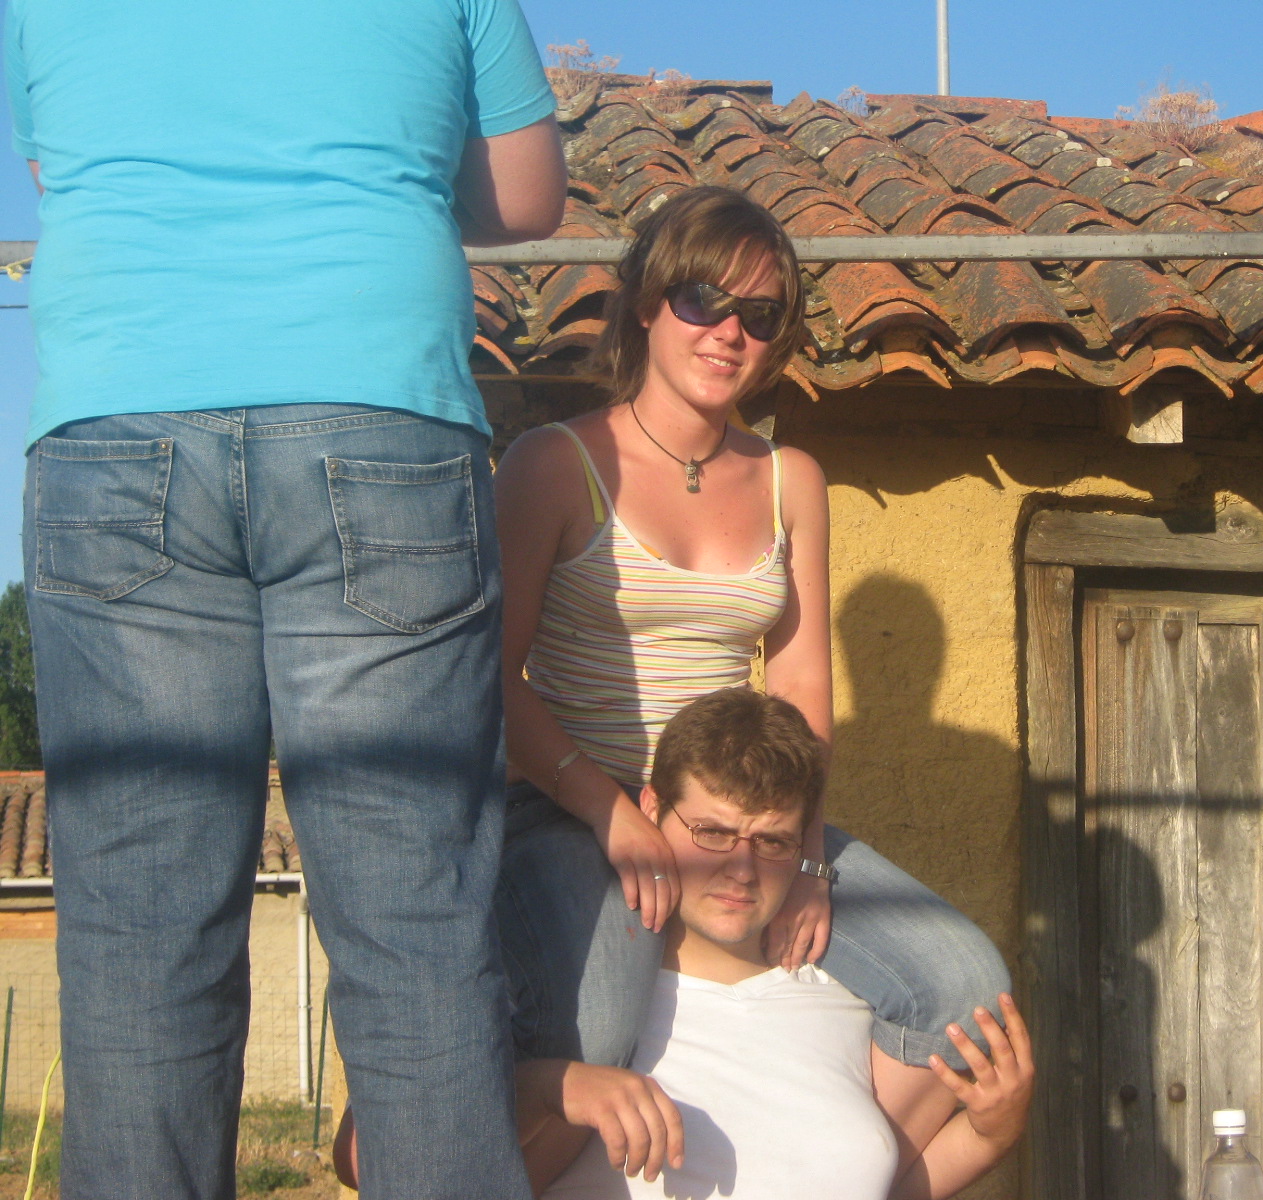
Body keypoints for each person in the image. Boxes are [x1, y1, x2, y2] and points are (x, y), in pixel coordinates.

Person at [5, 2, 566, 1197]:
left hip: (121, 415)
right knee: (415, 925)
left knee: (140, 939)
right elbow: (527, 198)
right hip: (378, 408)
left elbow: (61, 167)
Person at [488, 184, 1014, 1186]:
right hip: (567, 804)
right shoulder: (554, 464)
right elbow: (489, 679)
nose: (729, 332)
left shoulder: (790, 480)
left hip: (740, 812)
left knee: (963, 987)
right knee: (599, 1021)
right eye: (703, 299)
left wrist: (804, 846)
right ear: (647, 302)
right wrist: (606, 808)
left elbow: (802, 679)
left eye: (760, 314)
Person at [532, 688, 1035, 1200]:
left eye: (772, 842)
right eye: (712, 833)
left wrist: (990, 1136)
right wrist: (552, 1086)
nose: (742, 870)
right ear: (651, 809)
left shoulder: (850, 1000)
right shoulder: (588, 1012)